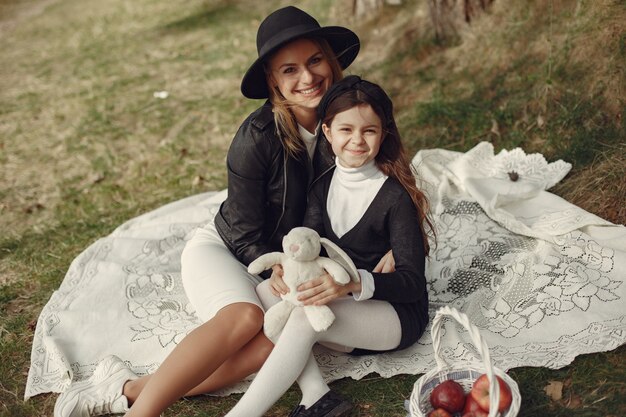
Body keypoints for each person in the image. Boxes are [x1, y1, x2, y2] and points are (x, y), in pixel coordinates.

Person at [52, 6, 369, 417]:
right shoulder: (257, 137)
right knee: (244, 318)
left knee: (275, 344)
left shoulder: (350, 121)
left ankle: (127, 388)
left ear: (331, 59)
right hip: (230, 248)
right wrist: (268, 264)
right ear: (273, 81)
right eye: (289, 70)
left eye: (314, 60)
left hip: (292, 262)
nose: (307, 78)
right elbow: (240, 228)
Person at [223, 75, 435, 417]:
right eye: (345, 130)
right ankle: (316, 394)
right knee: (267, 293)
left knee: (305, 319)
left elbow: (411, 283)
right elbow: (308, 241)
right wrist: (285, 268)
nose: (357, 141)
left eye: (369, 131)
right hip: (342, 306)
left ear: (383, 134)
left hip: (394, 314)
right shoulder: (322, 185)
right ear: (327, 132)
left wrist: (351, 284)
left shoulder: (394, 197)